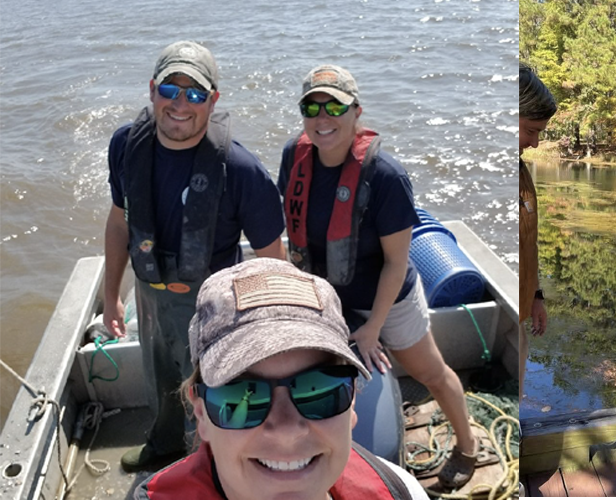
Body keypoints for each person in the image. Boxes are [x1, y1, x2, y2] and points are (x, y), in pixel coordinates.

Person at [275, 64, 480, 488]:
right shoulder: (293, 157)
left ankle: (467, 447)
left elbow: (397, 262)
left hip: (387, 297)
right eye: (311, 107)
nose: (322, 117)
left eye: (335, 106)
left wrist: (372, 329)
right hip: (327, 294)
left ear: (357, 112)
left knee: (431, 373)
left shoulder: (387, 176)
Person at [105, 40, 287, 470]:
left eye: (195, 93)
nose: (180, 104)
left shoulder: (240, 170)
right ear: (152, 91)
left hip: (212, 305)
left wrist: (271, 339)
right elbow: (118, 223)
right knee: (160, 381)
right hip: (149, 295)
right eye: (170, 90)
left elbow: (273, 261)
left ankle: (214, 470)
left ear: (213, 100)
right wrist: (111, 294)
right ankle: (164, 445)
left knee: (214, 395)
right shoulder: (125, 146)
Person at [129, 258, 421, 499]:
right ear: (201, 413)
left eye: (318, 391)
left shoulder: (400, 491)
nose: (286, 431)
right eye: (243, 397)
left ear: (352, 399)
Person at [519, 63, 554, 337]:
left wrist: (536, 296)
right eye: (530, 131)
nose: (535, 144)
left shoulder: (521, 173)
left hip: (520, 314)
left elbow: (528, 245)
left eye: (539, 133)